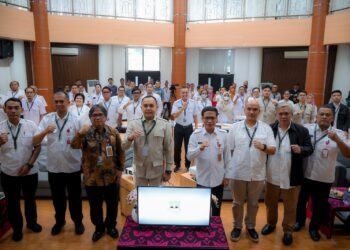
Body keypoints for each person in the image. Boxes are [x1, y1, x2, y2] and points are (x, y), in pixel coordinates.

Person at [294, 106, 350, 241]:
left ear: (332, 118)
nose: (324, 117)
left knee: (319, 205)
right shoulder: (306, 128)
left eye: (328, 115)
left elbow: (347, 154)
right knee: (301, 202)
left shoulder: (339, 133)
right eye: (322, 114)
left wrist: (338, 140)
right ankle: (299, 222)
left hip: (324, 177)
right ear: (316, 116)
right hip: (305, 174)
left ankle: (314, 228)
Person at [261, 102, 313, 246]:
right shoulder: (268, 129)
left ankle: (288, 230)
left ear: (291, 114)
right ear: (276, 114)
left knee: (291, 207)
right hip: (271, 175)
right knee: (270, 204)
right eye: (281, 113)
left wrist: (301, 149)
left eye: (286, 113)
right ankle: (271, 224)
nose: (283, 116)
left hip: (292, 177)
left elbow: (310, 148)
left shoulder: (301, 131)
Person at [33, 92, 84, 236]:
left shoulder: (76, 119)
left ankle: (78, 222)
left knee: (75, 199)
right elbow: (35, 141)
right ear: (53, 103)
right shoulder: (47, 119)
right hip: (54, 168)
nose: (59, 104)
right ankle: (59, 222)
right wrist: (45, 131)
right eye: (56, 102)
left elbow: (84, 142)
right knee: (57, 199)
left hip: (72, 167)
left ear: (68, 102)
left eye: (62, 101)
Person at [70, 105, 124, 242]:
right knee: (95, 207)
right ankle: (99, 228)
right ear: (90, 118)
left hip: (111, 176)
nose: (98, 117)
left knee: (112, 204)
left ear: (106, 117)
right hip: (92, 178)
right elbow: (73, 145)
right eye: (94, 115)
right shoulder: (85, 132)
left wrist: (120, 170)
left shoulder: (113, 132)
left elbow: (120, 152)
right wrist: (81, 133)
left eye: (100, 115)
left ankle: (111, 226)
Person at [227, 98, 276, 243]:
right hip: (238, 172)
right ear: (244, 110)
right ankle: (237, 227)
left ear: (259, 111)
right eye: (249, 109)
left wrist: (263, 147)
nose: (251, 112)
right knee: (237, 203)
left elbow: (273, 149)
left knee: (254, 204)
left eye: (255, 109)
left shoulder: (266, 128)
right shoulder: (235, 128)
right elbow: (228, 151)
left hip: (257, 173)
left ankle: (250, 227)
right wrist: (228, 172)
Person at [0, 98, 42, 241]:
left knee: (30, 200)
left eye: (16, 108)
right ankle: (17, 229)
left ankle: (32, 223)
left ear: (21, 109)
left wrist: (29, 165)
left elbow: (37, 146)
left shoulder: (30, 125)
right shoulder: (0, 127)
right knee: (12, 203)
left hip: (30, 171)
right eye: (10, 108)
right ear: (5, 110)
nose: (13, 111)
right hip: (8, 172)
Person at [187, 106, 230, 216]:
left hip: (218, 180)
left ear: (217, 119)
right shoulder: (195, 135)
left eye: (212, 118)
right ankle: (202, 232)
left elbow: (227, 157)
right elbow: (189, 156)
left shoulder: (223, 135)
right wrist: (199, 148)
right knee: (201, 210)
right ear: (202, 119)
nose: (209, 121)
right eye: (207, 118)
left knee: (216, 209)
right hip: (202, 179)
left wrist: (227, 176)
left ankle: (215, 229)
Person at [123, 95, 173, 186]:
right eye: (145, 106)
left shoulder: (165, 124)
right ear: (141, 107)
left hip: (157, 169)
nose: (148, 108)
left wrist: (168, 170)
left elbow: (168, 149)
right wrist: (130, 138)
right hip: (139, 169)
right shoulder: (133, 124)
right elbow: (124, 146)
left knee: (155, 197)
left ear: (157, 107)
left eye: (151, 105)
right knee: (140, 196)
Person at [172, 87, 198, 173]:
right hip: (178, 127)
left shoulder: (193, 103)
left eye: (186, 93)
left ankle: (187, 165)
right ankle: (177, 165)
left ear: (189, 93)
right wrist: (182, 108)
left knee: (188, 147)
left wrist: (196, 127)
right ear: (180, 94)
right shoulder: (176, 103)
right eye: (183, 93)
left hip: (189, 127)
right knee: (177, 147)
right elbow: (174, 115)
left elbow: (195, 116)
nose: (185, 94)